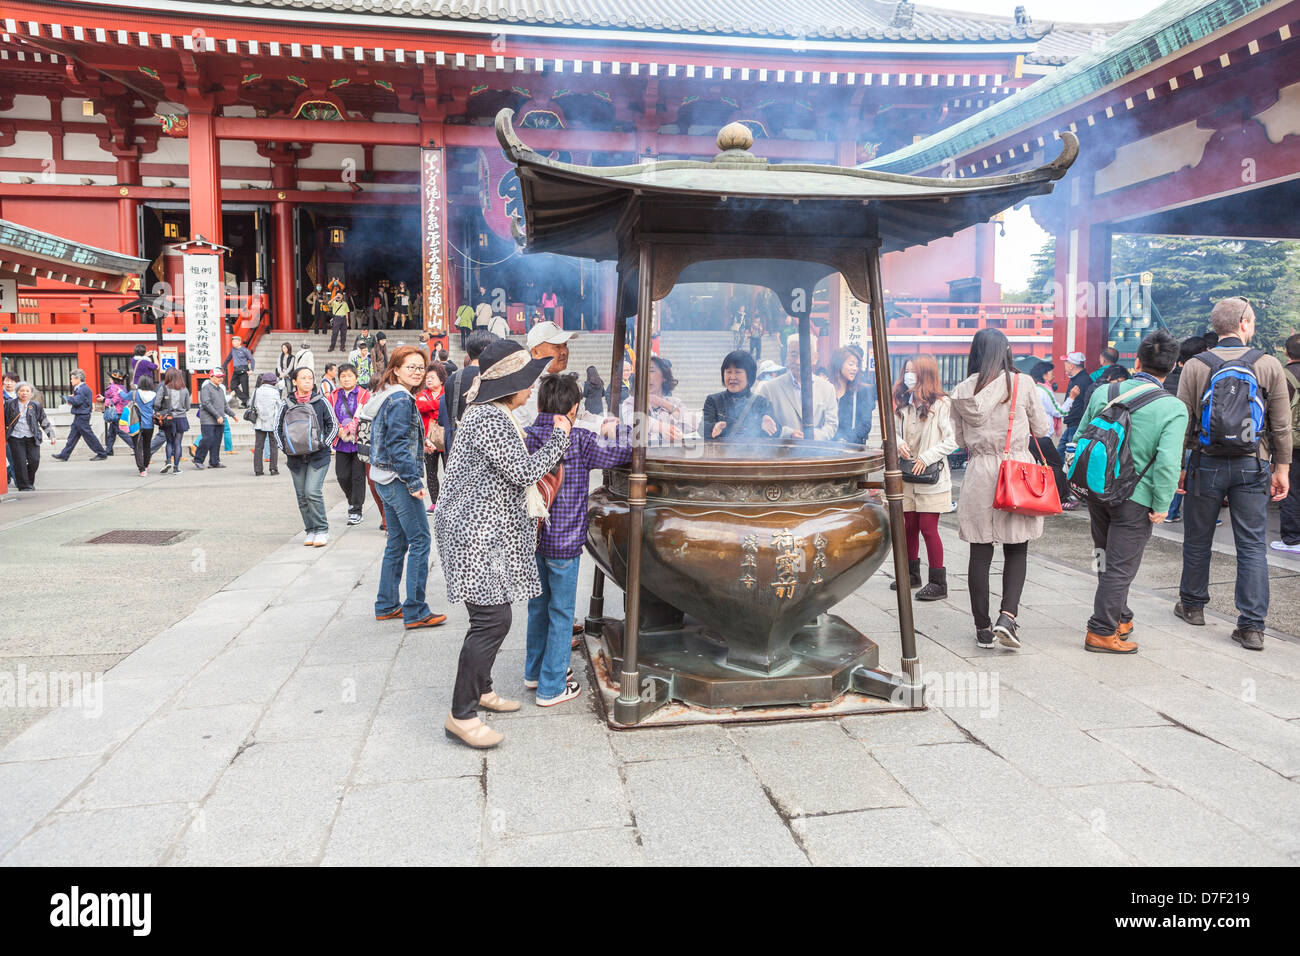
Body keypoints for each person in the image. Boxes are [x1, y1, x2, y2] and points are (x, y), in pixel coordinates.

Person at [436, 339, 570, 748]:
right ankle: (461, 713)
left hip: (484, 529)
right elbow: (524, 471)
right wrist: (560, 438)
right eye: (526, 381)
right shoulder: (490, 420)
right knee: (492, 621)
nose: (531, 388)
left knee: (495, 613)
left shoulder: (492, 415)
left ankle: (483, 689)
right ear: (509, 383)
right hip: (473, 533)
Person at [1175, 297, 1292, 651]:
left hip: (1204, 462)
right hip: (1253, 464)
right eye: (1252, 320)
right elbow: (1281, 426)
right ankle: (1252, 626)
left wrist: (1181, 467)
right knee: (1252, 543)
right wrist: (1282, 468)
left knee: (1197, 537)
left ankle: (1193, 607)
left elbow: (1183, 421)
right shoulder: (1268, 364)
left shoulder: (1195, 365)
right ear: (1243, 323)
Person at [1076, 330, 1188, 654]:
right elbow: (1167, 462)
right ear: (1173, 367)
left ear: (1136, 360)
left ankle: (1121, 617)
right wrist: (1163, 504)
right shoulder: (1172, 408)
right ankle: (1101, 630)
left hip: (1098, 488)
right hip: (1135, 498)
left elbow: (1083, 434)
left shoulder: (1105, 391)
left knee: (1105, 557)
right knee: (1120, 566)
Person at [524, 375, 634, 706]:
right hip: (564, 543)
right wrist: (620, 428)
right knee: (561, 612)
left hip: (533, 539)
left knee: (538, 607)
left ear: (541, 404)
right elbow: (622, 452)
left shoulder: (527, 437)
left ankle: (534, 672)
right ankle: (552, 685)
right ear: (574, 408)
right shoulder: (580, 439)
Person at [950, 328, 1053, 650]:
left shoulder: (962, 390)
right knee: (1016, 547)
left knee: (980, 551)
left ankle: (982, 628)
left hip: (980, 471)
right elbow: (1042, 428)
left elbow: (959, 440)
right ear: (1006, 351)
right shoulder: (1022, 383)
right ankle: (1007, 617)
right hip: (1016, 470)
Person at [365, 346, 446, 627]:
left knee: (397, 542)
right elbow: (396, 444)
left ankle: (386, 604)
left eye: (421, 367)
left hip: (383, 476)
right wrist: (414, 481)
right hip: (398, 480)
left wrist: (417, 442)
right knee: (421, 540)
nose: (417, 372)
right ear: (395, 369)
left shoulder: (387, 394)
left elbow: (393, 437)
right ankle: (416, 610)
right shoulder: (400, 399)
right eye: (410, 367)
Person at [893, 354, 957, 601]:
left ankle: (938, 582)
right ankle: (911, 574)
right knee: (909, 526)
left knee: (928, 528)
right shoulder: (902, 402)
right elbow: (889, 430)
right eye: (906, 371)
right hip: (907, 473)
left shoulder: (942, 404)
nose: (908, 376)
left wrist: (927, 456)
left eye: (913, 372)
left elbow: (953, 440)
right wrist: (899, 444)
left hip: (931, 476)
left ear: (925, 375)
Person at [274, 366, 338, 546]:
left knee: (312, 491)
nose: (308, 381)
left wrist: (324, 443)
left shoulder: (321, 401)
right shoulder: (286, 404)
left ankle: (322, 529)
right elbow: (277, 428)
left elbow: (333, 424)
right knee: (302, 496)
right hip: (295, 457)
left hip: (319, 456)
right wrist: (285, 448)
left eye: (310, 378)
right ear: (294, 382)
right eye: (303, 378)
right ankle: (310, 530)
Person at [758, 333, 839, 440]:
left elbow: (831, 424)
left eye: (804, 355)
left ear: (815, 358)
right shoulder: (769, 388)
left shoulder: (827, 389)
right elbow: (762, 422)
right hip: (781, 453)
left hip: (816, 452)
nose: (797, 361)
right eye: (793, 354)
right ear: (787, 356)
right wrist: (787, 434)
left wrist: (818, 435)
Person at [1164, 336, 1209, 522]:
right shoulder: (1199, 378)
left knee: (1171, 473)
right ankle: (1181, 512)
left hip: (1167, 435)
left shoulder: (1166, 377)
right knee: (1190, 477)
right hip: (1190, 439)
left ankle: (1167, 510)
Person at [701, 349, 779, 442]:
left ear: (749, 376)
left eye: (738, 372)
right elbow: (702, 428)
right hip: (722, 454)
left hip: (753, 454)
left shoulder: (761, 402)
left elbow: (777, 432)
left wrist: (769, 425)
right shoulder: (714, 400)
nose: (732, 377)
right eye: (728, 372)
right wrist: (714, 427)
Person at [1028, 361, 1076, 509]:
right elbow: (1059, 411)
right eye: (1051, 372)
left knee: (1038, 466)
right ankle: (1061, 498)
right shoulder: (1045, 391)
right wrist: (1072, 397)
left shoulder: (1033, 389)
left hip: (1030, 437)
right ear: (1044, 375)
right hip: (1041, 436)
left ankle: (1039, 494)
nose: (1054, 375)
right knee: (1056, 466)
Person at [439, 329, 496, 454]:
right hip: (487, 447)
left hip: (458, 448)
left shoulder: (452, 379)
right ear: (486, 349)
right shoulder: (493, 379)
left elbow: (448, 415)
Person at [620, 355, 692, 443]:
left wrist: (663, 403)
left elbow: (691, 425)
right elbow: (633, 420)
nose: (646, 377)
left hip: (672, 454)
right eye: (642, 372)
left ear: (664, 377)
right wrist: (662, 427)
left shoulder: (675, 402)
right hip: (643, 454)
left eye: (651, 371)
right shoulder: (631, 402)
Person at [1273, 333, 1300, 555]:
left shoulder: (1283, 376)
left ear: (1286, 352)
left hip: (1290, 442)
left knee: (1290, 489)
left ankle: (1292, 539)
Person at [4, 382, 56, 490]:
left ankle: (28, 482)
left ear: (31, 393)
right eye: (21, 391)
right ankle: (24, 486)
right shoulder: (9, 404)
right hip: (15, 438)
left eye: (27, 391)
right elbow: (3, 420)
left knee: (34, 461)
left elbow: (43, 420)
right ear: (17, 392)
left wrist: (51, 435)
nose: (24, 393)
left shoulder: (35, 405)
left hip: (32, 437)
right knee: (20, 462)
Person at [53, 369, 108, 461]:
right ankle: (64, 454)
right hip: (81, 415)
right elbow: (79, 400)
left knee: (88, 436)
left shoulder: (82, 389)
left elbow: (77, 401)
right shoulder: (81, 388)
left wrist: (66, 398)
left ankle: (102, 453)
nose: (71, 381)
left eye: (72, 379)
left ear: (78, 378)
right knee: (73, 437)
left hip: (82, 416)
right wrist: (72, 398)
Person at [414, 363, 447, 510]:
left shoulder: (447, 392)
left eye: (432, 377)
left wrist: (430, 406)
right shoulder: (422, 394)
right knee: (431, 472)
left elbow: (433, 409)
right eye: (427, 378)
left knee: (449, 470)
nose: (428, 380)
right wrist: (437, 404)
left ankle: (448, 500)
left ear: (441, 379)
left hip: (445, 438)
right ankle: (435, 502)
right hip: (428, 439)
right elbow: (420, 407)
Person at [1056, 350, 1095, 461]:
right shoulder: (1076, 379)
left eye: (1066, 362)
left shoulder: (1083, 381)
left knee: (1070, 458)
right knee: (1060, 455)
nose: (1065, 365)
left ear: (1072, 366)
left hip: (1076, 425)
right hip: (1072, 424)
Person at [194, 368, 235, 470]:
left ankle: (214, 461)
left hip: (220, 419)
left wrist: (232, 414)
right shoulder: (206, 388)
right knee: (207, 439)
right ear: (211, 377)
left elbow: (224, 405)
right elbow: (206, 404)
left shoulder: (220, 389)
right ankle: (198, 459)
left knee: (217, 441)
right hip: (208, 419)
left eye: (221, 377)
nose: (220, 379)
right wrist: (217, 416)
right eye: (217, 377)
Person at [831, 346, 873, 445]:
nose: (855, 369)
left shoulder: (862, 391)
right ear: (838, 364)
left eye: (857, 365)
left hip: (852, 448)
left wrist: (845, 439)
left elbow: (865, 424)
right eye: (851, 364)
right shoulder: (828, 389)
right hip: (828, 447)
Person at [156, 368, 190, 476]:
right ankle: (176, 468)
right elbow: (188, 406)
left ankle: (168, 461)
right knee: (178, 442)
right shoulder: (184, 389)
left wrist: (162, 409)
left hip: (167, 418)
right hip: (181, 418)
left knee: (169, 441)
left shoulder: (164, 388)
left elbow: (156, 403)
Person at [125, 375, 158, 477]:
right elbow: (156, 406)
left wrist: (118, 391)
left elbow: (124, 397)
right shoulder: (154, 395)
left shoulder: (134, 393)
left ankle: (142, 469)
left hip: (136, 423)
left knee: (137, 447)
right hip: (149, 425)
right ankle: (146, 465)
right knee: (147, 446)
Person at [250, 371, 282, 477]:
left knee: (258, 446)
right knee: (273, 446)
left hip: (259, 422)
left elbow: (251, 403)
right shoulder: (275, 392)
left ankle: (258, 470)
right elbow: (279, 406)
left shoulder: (257, 391)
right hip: (272, 423)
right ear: (273, 382)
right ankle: (273, 469)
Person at [100, 370, 131, 456]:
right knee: (112, 432)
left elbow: (115, 399)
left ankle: (135, 446)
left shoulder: (113, 387)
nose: (109, 379)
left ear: (113, 379)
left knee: (120, 431)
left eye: (110, 377)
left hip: (116, 412)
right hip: (122, 411)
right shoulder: (122, 387)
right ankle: (109, 450)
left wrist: (103, 400)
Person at [223, 335, 255, 406]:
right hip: (236, 370)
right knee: (232, 386)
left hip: (244, 370)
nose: (233, 343)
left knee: (245, 388)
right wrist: (223, 367)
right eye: (232, 341)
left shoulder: (245, 350)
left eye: (235, 341)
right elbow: (228, 359)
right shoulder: (233, 350)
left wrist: (252, 370)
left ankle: (245, 404)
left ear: (239, 342)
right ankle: (246, 399)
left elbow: (252, 359)